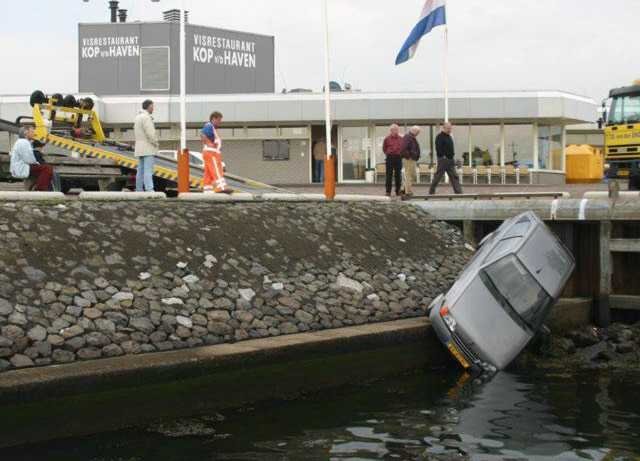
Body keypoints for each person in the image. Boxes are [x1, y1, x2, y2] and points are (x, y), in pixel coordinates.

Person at [9, 127, 53, 191]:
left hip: (20, 166)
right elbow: (28, 159)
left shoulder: (20, 142)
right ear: (26, 133)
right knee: (47, 168)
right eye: (32, 132)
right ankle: (40, 189)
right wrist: (37, 163)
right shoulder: (24, 143)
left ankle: (38, 187)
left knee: (44, 168)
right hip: (22, 167)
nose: (34, 134)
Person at [429, 122, 463, 195]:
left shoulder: (449, 136)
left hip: (450, 160)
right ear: (444, 128)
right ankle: (431, 191)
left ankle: (458, 192)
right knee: (438, 176)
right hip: (443, 160)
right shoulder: (439, 137)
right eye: (448, 128)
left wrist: (452, 156)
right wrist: (443, 156)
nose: (450, 130)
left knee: (454, 176)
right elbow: (438, 148)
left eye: (450, 128)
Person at [201, 111, 231, 193]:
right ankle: (221, 187)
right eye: (219, 120)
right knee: (217, 170)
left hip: (210, 152)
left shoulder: (211, 128)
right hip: (212, 152)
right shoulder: (209, 125)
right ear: (214, 119)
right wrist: (209, 143)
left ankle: (207, 189)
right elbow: (203, 134)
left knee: (208, 173)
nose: (220, 122)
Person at [133, 99, 158, 192]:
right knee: (148, 170)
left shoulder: (137, 117)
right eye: (153, 106)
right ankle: (149, 189)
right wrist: (156, 143)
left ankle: (139, 189)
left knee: (140, 171)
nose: (153, 109)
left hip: (139, 148)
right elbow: (150, 134)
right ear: (149, 106)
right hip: (148, 147)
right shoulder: (147, 118)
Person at [382, 124, 403, 197]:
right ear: (390, 131)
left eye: (397, 129)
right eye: (394, 130)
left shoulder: (401, 138)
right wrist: (388, 153)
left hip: (398, 158)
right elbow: (384, 149)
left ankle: (398, 191)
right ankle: (388, 191)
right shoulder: (386, 139)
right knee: (389, 175)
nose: (395, 131)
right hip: (390, 158)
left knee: (398, 175)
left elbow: (403, 148)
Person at [400, 125, 421, 197]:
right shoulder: (408, 137)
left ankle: (403, 189)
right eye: (418, 132)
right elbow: (403, 148)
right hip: (409, 159)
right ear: (414, 131)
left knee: (410, 174)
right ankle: (408, 191)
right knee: (409, 175)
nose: (418, 133)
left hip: (411, 159)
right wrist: (409, 156)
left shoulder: (411, 137)